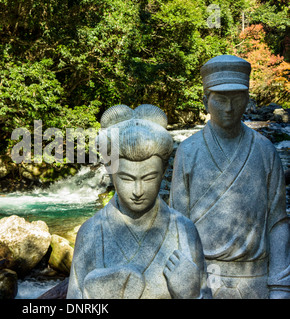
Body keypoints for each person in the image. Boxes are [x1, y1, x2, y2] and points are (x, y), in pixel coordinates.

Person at [170, 55, 290, 299]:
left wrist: (280, 285)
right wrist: (186, 280)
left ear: (247, 100)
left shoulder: (265, 150)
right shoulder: (188, 151)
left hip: (255, 279)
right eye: (220, 99)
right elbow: (178, 223)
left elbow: (277, 222)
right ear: (206, 101)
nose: (229, 108)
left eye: (237, 99)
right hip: (204, 278)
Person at [67, 104, 212, 299]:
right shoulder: (91, 232)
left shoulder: (184, 230)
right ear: (111, 173)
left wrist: (192, 294)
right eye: (126, 179)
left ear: (163, 172)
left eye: (149, 178)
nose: (138, 191)